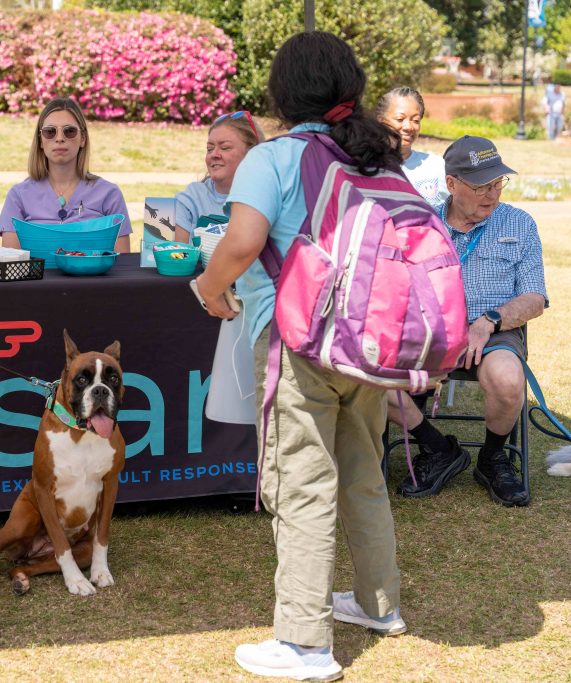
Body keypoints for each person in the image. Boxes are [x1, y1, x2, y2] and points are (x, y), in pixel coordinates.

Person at [196, 32, 405, 680]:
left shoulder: (275, 157)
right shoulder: (374, 154)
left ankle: (305, 641)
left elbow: (242, 243)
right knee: (363, 471)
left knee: (301, 484)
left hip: (300, 341)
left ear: (283, 92)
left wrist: (207, 287)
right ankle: (377, 602)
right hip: (369, 343)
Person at [387, 136, 547, 508]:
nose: (491, 194)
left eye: (497, 183)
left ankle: (492, 459)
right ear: (451, 183)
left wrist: (490, 320)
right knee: (371, 379)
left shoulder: (519, 224)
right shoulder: (419, 222)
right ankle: (437, 448)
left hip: (494, 330)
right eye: (480, 186)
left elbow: (535, 297)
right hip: (429, 329)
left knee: (509, 381)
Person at [0, 98, 132, 253]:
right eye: (50, 132)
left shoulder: (110, 194)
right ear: (40, 141)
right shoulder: (18, 196)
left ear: (82, 139)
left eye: (69, 131)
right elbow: (9, 262)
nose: (59, 138)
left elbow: (122, 264)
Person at [174, 110, 264, 244]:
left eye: (225, 148)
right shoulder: (191, 198)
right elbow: (173, 258)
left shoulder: (268, 198)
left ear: (251, 153)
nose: (214, 155)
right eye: (210, 149)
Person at [375, 87, 449, 206]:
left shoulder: (437, 167)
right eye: (400, 119)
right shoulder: (366, 168)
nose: (408, 127)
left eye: (415, 120)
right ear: (381, 121)